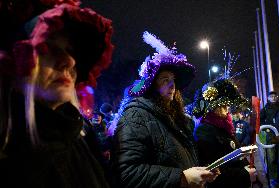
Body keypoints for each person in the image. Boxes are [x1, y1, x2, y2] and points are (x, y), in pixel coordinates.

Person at [0, 2, 114, 188]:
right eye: (48, 47)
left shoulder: (80, 135)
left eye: (70, 50)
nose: (69, 61)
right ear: (11, 62)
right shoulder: (10, 153)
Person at [111, 31, 219, 188]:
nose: (172, 85)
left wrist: (203, 170)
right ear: (152, 85)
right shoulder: (135, 114)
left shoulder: (176, 117)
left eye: (173, 80)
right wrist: (181, 178)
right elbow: (127, 173)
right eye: (165, 80)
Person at [190, 79, 257, 188]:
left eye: (227, 105)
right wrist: (244, 174)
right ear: (212, 108)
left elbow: (235, 152)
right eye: (223, 106)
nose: (227, 109)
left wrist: (247, 165)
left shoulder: (224, 126)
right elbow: (211, 170)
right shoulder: (204, 131)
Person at [261, 91, 279, 188]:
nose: (273, 98)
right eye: (271, 96)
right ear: (268, 98)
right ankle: (273, 179)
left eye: (275, 96)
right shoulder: (265, 108)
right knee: (271, 158)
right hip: (270, 136)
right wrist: (266, 129)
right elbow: (260, 120)